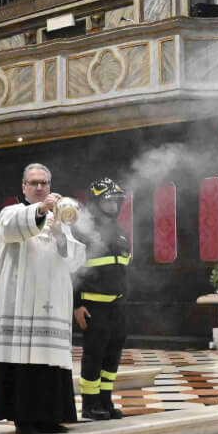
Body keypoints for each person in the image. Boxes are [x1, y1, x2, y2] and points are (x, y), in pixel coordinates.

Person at [0, 163, 87, 434]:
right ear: (24, 187)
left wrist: (59, 235)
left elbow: (73, 260)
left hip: (51, 303)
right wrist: (42, 210)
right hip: (20, 300)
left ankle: (49, 416)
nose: (39, 187)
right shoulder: (12, 212)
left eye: (44, 183)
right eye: (33, 183)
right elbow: (11, 229)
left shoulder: (60, 220)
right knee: (23, 358)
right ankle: (24, 418)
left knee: (50, 358)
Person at [75, 177, 130, 421]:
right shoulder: (83, 231)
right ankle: (90, 404)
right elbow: (73, 271)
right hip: (93, 306)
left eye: (116, 201)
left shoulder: (121, 233)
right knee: (94, 355)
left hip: (117, 305)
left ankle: (106, 400)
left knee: (112, 355)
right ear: (95, 203)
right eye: (108, 201)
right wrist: (77, 305)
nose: (113, 206)